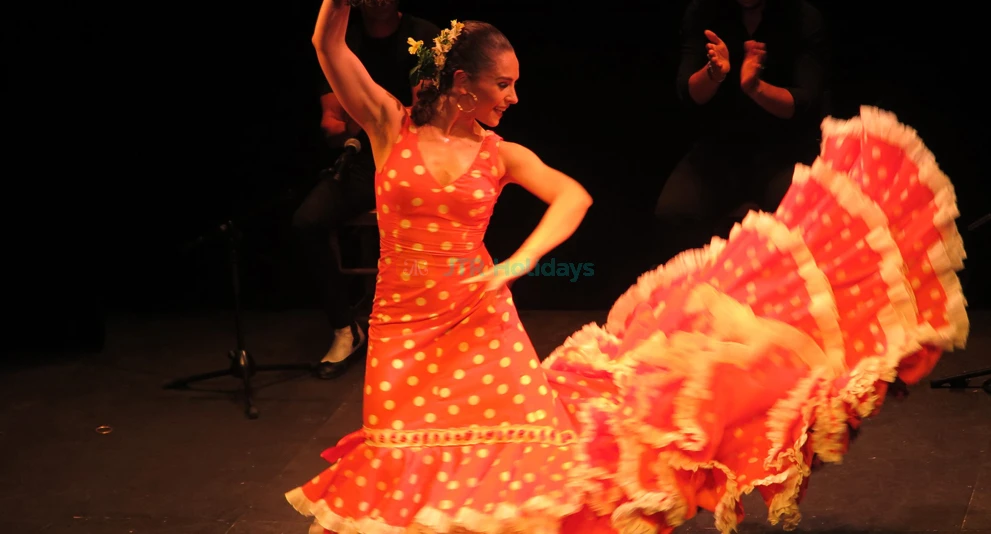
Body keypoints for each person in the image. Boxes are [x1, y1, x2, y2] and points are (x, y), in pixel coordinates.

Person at [286, 1, 969, 532]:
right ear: (460, 82)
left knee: (519, 467)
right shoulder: (387, 125)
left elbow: (572, 195)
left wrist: (519, 260)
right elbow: (327, 45)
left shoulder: (501, 155)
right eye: (503, 84)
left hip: (478, 321)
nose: (513, 98)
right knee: (407, 462)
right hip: (403, 326)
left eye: (515, 85)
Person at [291, 0, 440, 379]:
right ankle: (346, 329)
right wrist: (356, 124)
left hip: (416, 159)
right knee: (308, 221)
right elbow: (331, 122)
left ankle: (428, 330)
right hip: (361, 162)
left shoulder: (422, 35)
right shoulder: (346, 37)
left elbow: (425, 113)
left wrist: (379, 115)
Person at [655, 0, 829, 258]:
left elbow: (805, 102)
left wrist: (755, 88)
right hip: (719, 150)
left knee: (805, 219)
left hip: (782, 149)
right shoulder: (704, 11)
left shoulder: (802, 17)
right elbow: (689, 93)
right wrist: (714, 73)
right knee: (673, 212)